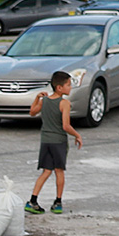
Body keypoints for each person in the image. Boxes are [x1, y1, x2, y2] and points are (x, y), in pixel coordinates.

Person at [25, 72, 81, 215]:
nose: (71, 87)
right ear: (59, 87)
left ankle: (32, 201)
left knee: (46, 171)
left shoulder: (45, 101)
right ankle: (57, 202)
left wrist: (37, 98)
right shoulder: (64, 103)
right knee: (59, 171)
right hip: (59, 141)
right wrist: (77, 135)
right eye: (68, 85)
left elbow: (32, 112)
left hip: (46, 141)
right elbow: (66, 126)